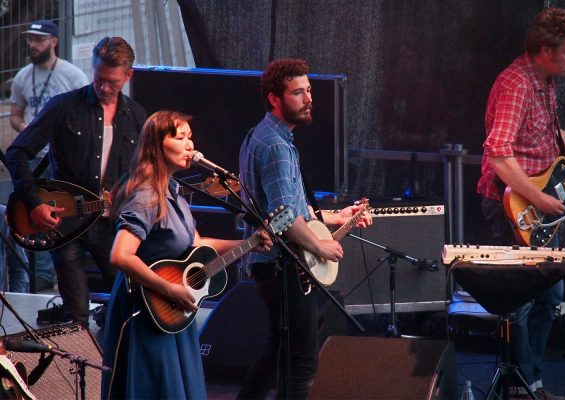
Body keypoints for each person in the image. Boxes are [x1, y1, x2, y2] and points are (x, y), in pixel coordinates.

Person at [101, 110, 272, 399]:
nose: (190, 145)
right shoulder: (145, 195)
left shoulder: (173, 191)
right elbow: (120, 256)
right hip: (149, 308)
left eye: (189, 137)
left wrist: (251, 242)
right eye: (180, 138)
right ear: (157, 145)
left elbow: (197, 244)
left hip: (172, 309)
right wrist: (169, 287)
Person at [476, 7, 565, 400]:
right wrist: (540, 196)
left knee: (550, 297)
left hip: (536, 203)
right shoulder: (517, 84)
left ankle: (531, 384)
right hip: (512, 206)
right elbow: (497, 151)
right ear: (546, 49)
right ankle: (521, 388)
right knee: (526, 302)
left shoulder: (544, 82)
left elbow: (550, 134)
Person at [238, 58, 372, 399]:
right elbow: (283, 214)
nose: (309, 98)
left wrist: (338, 218)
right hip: (282, 267)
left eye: (309, 90)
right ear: (275, 98)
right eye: (298, 93)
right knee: (301, 363)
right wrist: (320, 247)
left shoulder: (264, 135)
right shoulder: (276, 146)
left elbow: (292, 213)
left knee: (276, 351)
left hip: (271, 265)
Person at [6, 37, 147, 325]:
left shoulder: (136, 116)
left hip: (111, 226)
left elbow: (138, 171)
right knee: (76, 316)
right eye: (98, 79)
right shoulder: (64, 106)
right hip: (65, 222)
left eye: (113, 82)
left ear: (128, 75)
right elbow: (17, 152)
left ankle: (115, 365)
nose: (104, 88)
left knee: (131, 305)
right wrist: (34, 203)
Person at [7, 19, 88, 292]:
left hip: (58, 159)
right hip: (31, 156)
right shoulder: (22, 76)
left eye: (38, 40)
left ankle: (50, 274)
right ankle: (37, 278)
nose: (32, 45)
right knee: (31, 213)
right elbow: (16, 115)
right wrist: (25, 129)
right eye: (30, 40)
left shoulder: (74, 76)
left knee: (58, 214)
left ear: (53, 42)